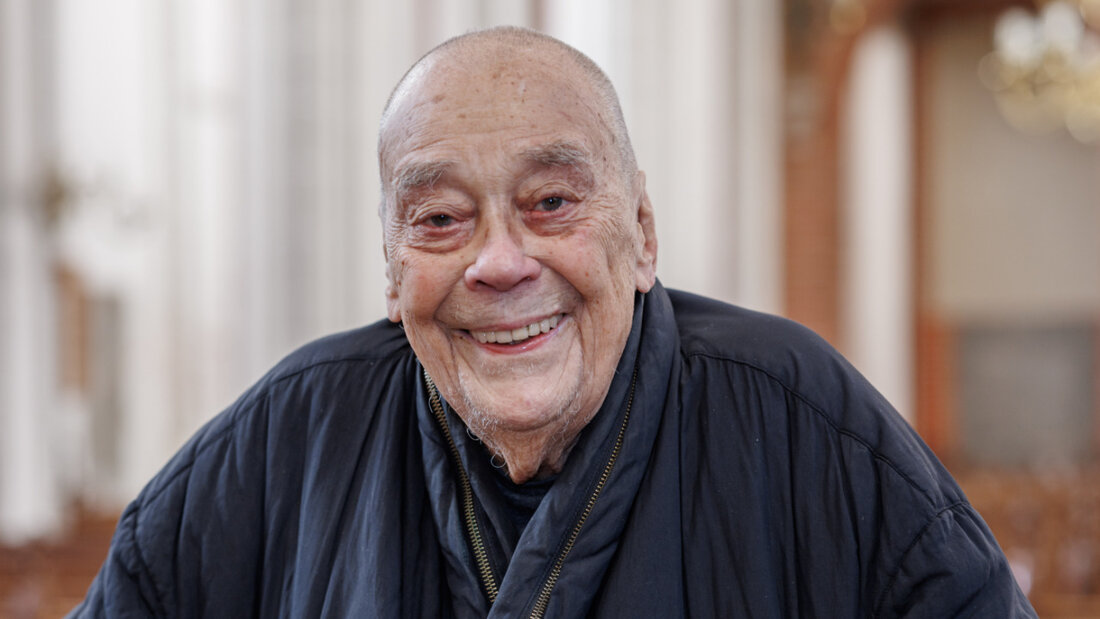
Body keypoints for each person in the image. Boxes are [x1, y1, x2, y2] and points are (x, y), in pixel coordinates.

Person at [71, 26, 1036, 618]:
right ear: (392, 261)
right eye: (440, 218)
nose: (497, 263)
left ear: (645, 234)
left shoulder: (803, 421)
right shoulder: (284, 438)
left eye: (552, 203)